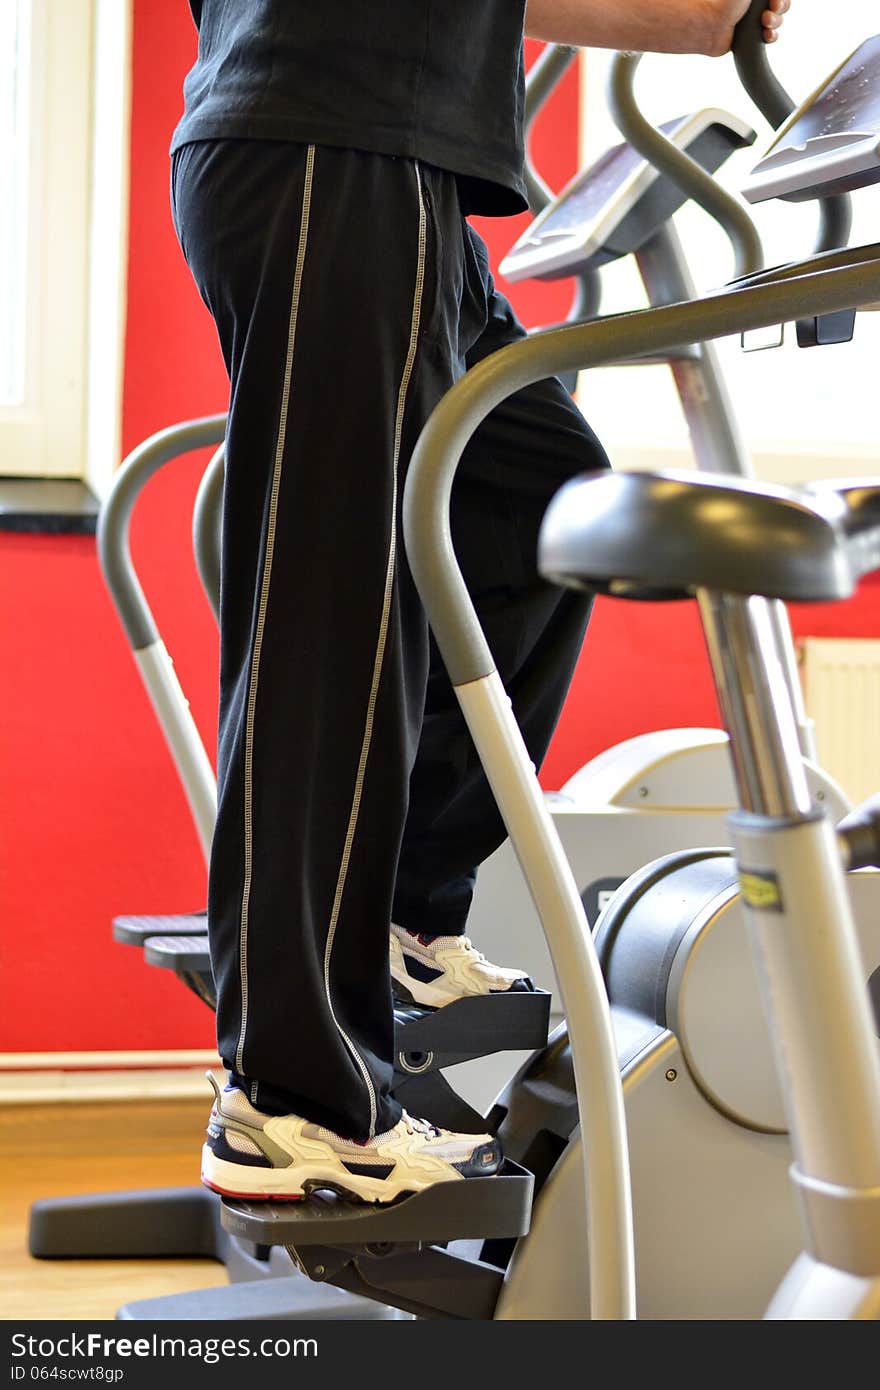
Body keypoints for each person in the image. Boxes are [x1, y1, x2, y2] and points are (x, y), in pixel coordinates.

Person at [170, 0, 790, 1204]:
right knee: (330, 628)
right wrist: (688, 17)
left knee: (536, 500)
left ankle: (398, 914)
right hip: (336, 140)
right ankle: (293, 1102)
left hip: (388, 156)